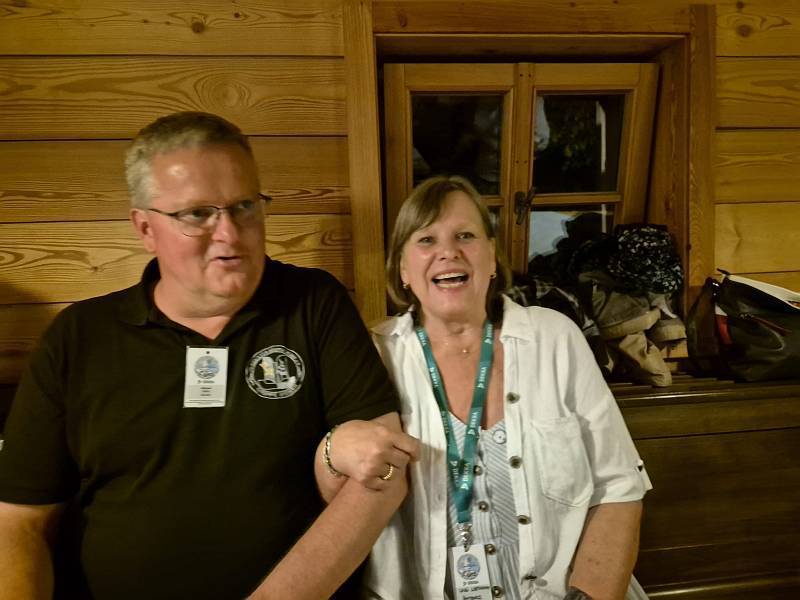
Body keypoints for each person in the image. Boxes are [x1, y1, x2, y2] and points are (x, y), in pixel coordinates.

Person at [0, 111, 418, 600]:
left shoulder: (313, 303)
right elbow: (18, 522)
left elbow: (384, 472)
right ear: (145, 228)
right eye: (197, 214)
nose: (230, 234)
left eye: (244, 206)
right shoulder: (77, 337)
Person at [362, 176, 652, 600]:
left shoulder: (554, 337)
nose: (448, 252)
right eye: (426, 240)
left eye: (465, 235)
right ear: (402, 269)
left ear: (492, 257)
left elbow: (618, 485)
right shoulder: (374, 356)